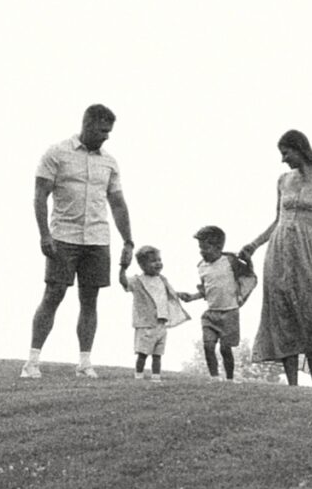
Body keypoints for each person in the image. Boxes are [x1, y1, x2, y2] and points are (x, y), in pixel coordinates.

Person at [23, 104, 135, 380]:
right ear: (87, 124)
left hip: (97, 239)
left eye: (109, 132)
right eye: (102, 130)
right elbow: (40, 196)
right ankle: (32, 361)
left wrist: (128, 240)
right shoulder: (57, 153)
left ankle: (84, 363)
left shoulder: (109, 162)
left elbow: (117, 203)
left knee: (90, 299)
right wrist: (44, 235)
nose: (106, 136)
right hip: (64, 237)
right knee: (53, 295)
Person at [239, 129, 312, 387]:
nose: (283, 159)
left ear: (300, 149)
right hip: (279, 250)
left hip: (309, 250)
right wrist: (254, 245)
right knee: (282, 310)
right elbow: (277, 219)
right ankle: (291, 384)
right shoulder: (283, 180)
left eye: (286, 153)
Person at [192, 225, 250, 381]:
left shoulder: (230, 261)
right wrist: (191, 297)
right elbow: (206, 290)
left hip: (229, 312)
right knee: (208, 346)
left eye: (205, 248)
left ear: (218, 247)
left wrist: (248, 260)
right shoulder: (201, 267)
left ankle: (229, 379)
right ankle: (214, 377)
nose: (202, 252)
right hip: (211, 314)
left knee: (225, 348)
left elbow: (248, 274)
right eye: (200, 248)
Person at [128, 245, 191, 376]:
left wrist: (179, 294)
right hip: (146, 323)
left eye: (159, 260)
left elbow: (168, 293)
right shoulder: (137, 280)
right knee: (143, 353)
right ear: (142, 265)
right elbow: (125, 284)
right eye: (153, 261)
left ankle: (156, 376)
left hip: (161, 322)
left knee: (158, 354)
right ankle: (138, 375)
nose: (158, 263)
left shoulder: (162, 279)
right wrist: (122, 269)